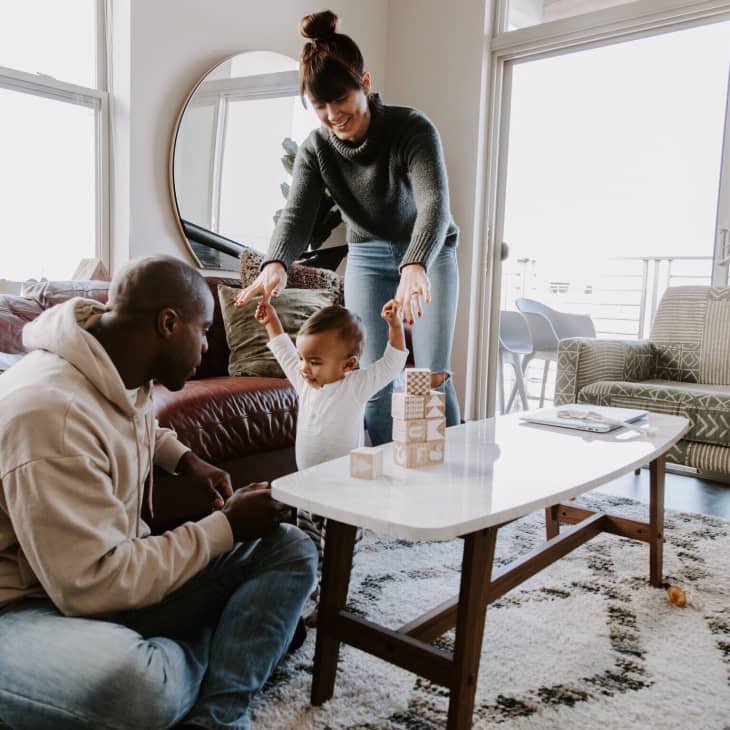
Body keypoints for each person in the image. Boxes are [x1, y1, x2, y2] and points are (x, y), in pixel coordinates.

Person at [0, 255, 317, 730]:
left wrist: (185, 459)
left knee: (290, 549)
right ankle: (229, 642)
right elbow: (93, 585)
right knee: (139, 690)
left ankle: (215, 716)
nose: (207, 345)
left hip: (104, 582)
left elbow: (132, 421)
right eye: (205, 330)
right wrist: (225, 527)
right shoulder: (51, 416)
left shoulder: (114, 365)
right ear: (168, 323)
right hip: (24, 606)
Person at [235, 9, 460, 446]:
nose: (332, 114)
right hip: (369, 257)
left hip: (429, 252)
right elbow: (297, 214)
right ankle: (378, 494)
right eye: (319, 105)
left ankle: (450, 492)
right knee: (370, 380)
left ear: (366, 84)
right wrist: (277, 263)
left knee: (432, 376)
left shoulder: (411, 129)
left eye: (341, 99)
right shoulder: (317, 148)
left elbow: (434, 203)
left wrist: (416, 265)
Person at [254, 299, 407, 624]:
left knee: (337, 549)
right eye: (303, 359)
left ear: (347, 365)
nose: (304, 368)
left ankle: (332, 600)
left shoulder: (356, 385)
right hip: (309, 488)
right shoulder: (304, 381)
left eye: (314, 361)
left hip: (344, 492)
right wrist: (271, 321)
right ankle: (307, 589)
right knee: (306, 543)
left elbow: (392, 364)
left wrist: (395, 327)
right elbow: (283, 351)